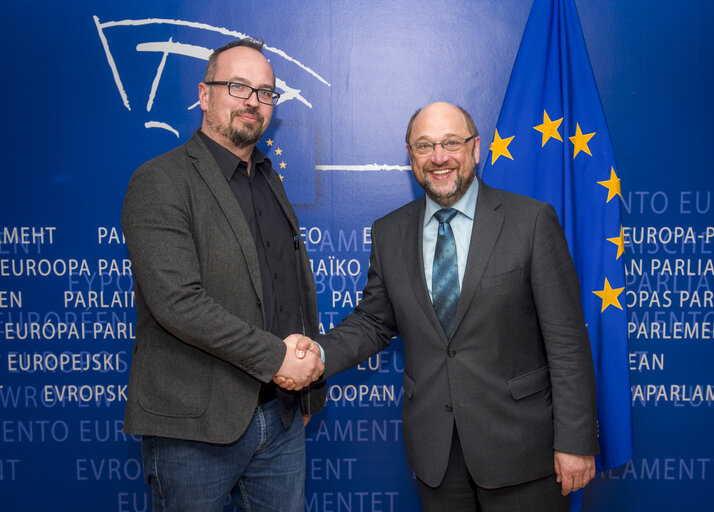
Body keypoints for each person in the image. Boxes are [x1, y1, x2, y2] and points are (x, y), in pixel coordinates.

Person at [278, 101, 599, 511]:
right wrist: (318, 354)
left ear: (475, 148)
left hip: (523, 451)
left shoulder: (530, 222)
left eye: (451, 143)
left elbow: (567, 342)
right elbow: (374, 323)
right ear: (410, 156)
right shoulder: (390, 231)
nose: (439, 157)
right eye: (425, 146)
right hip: (437, 456)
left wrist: (574, 442)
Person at [121, 38, 325, 512]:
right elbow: (178, 303)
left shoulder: (269, 181)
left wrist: (304, 387)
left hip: (280, 419)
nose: (253, 101)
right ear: (205, 93)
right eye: (238, 86)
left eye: (266, 92)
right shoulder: (160, 180)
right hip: (195, 430)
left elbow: (286, 289)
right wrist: (278, 358)